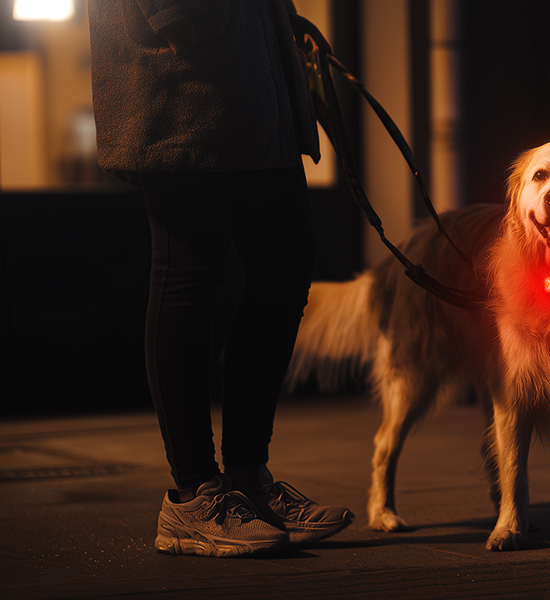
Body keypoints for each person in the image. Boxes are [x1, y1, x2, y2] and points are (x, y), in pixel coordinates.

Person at [88, 0, 353, 556]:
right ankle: (192, 495)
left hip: (252, 81)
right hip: (187, 83)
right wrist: (176, 17)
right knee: (189, 274)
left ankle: (247, 480)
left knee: (286, 262)